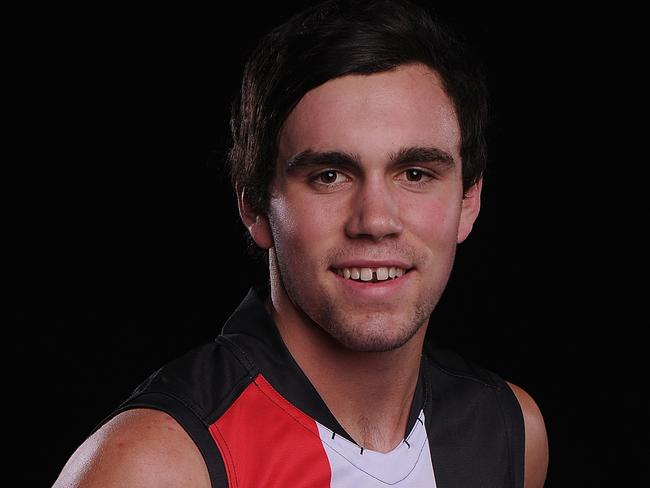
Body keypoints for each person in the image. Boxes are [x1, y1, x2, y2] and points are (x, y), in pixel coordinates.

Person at [54, 0, 548, 486]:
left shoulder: (509, 429)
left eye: (415, 173)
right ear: (254, 206)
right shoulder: (158, 464)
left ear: (468, 200)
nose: (375, 220)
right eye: (329, 175)